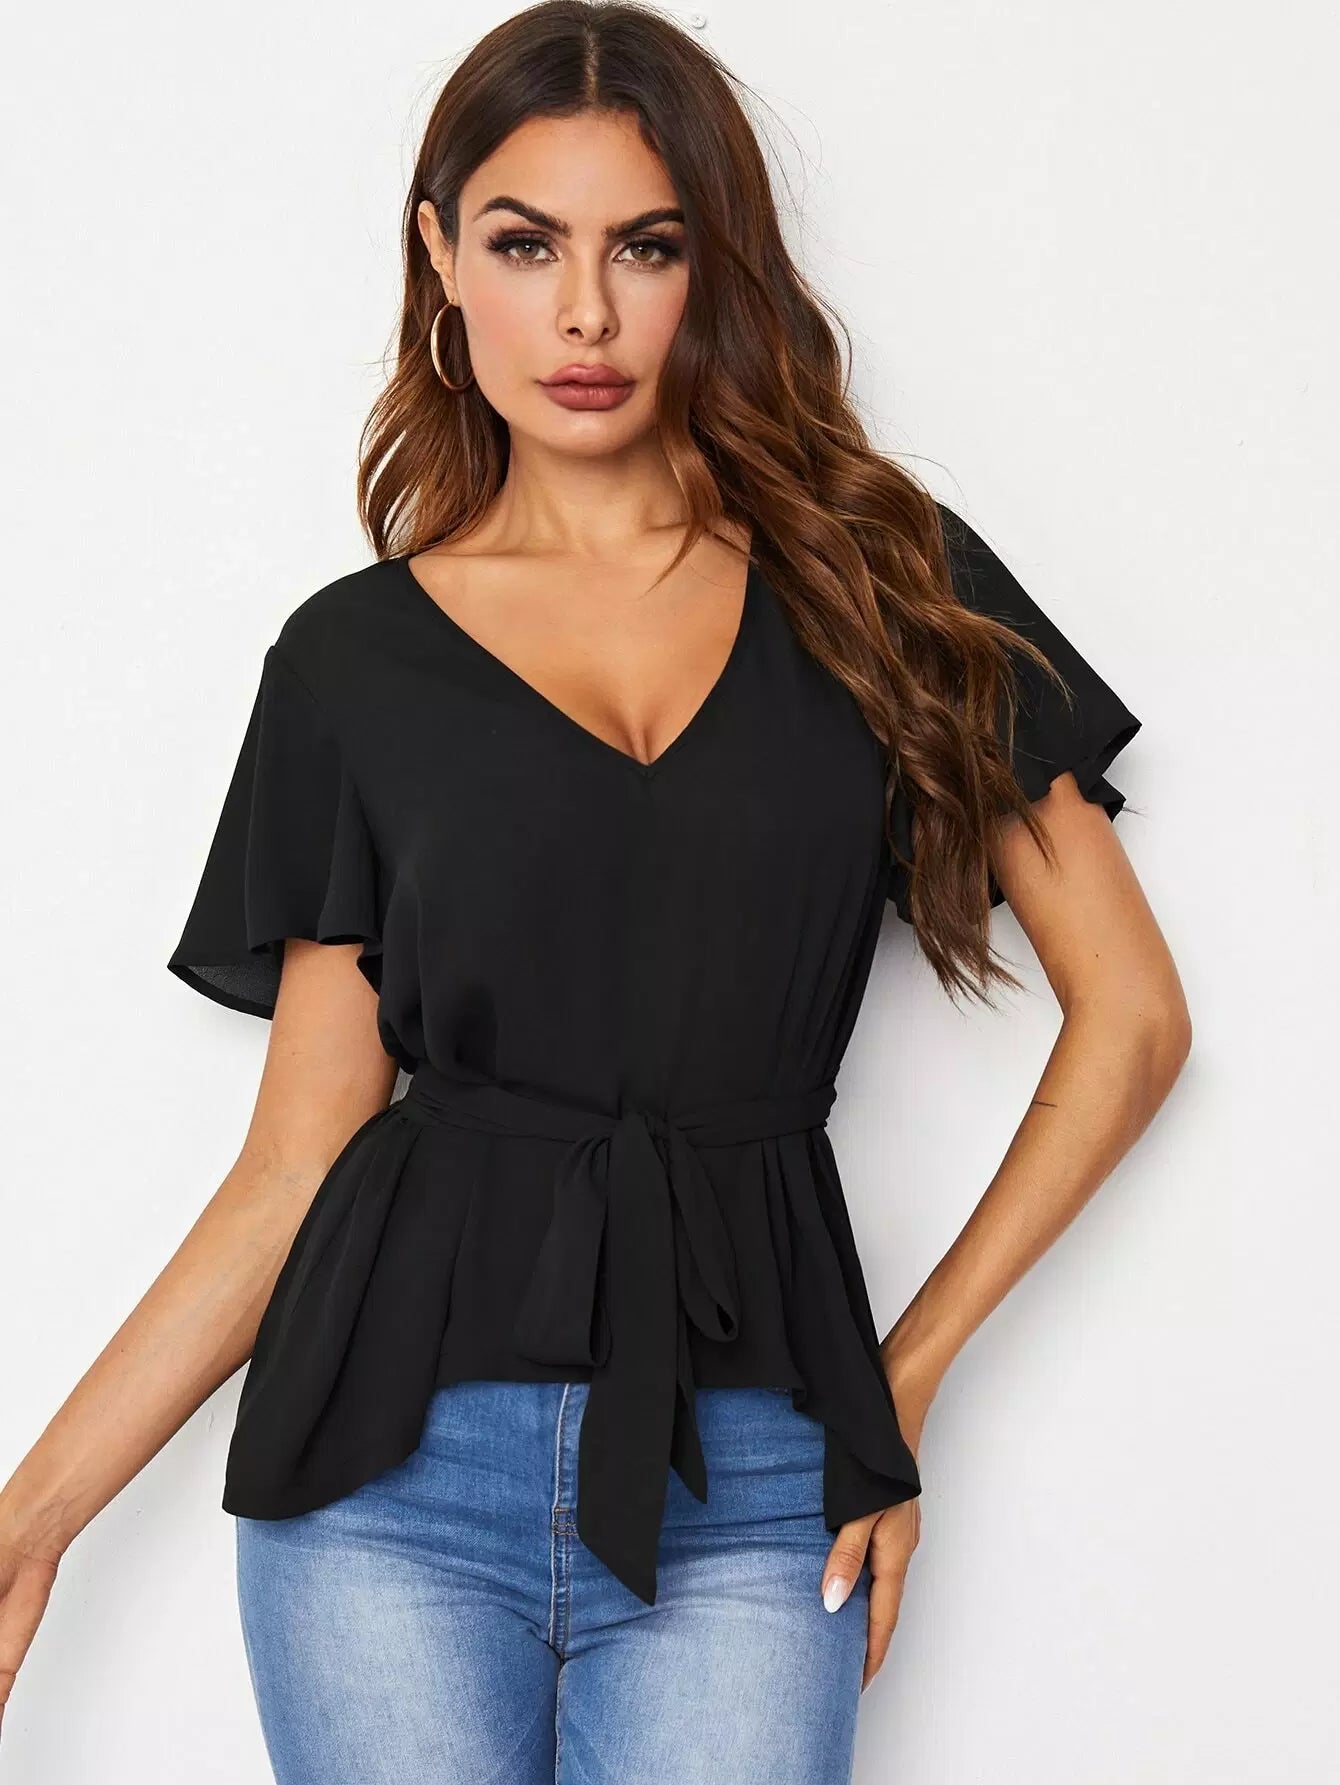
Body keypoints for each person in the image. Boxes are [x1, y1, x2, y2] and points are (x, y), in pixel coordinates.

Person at [0, 3, 1191, 1779]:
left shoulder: (887, 592)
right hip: (382, 1483)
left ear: (715, 265)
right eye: (523, 244)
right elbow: (298, 1161)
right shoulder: (352, 664)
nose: (583, 314)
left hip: (758, 1471)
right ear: (439, 257)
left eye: (644, 246)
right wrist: (31, 1517)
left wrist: (906, 1376)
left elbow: (1137, 1018)